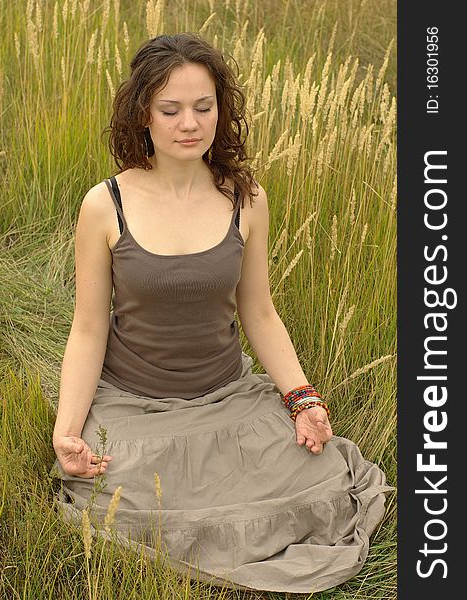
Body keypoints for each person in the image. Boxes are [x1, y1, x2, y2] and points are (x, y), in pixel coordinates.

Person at [50, 32, 392, 594]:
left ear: (220, 110)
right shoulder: (104, 204)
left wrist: (302, 400)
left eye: (203, 107)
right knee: (123, 498)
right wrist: (67, 430)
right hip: (138, 405)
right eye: (171, 109)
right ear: (143, 115)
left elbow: (260, 313)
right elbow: (88, 328)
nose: (190, 123)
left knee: (321, 478)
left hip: (225, 396)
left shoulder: (245, 197)